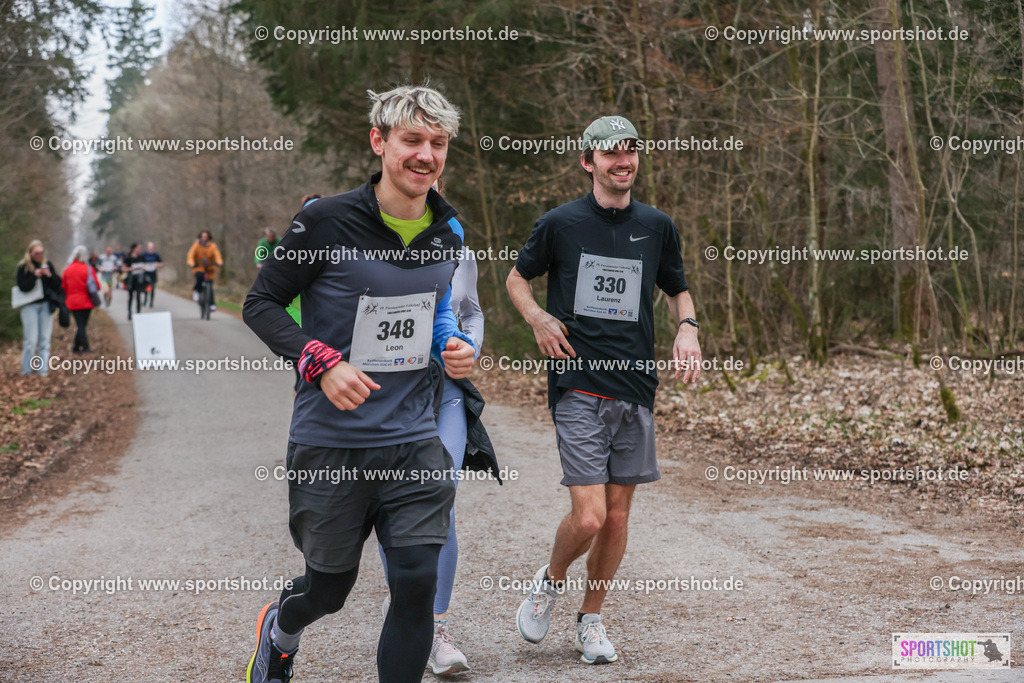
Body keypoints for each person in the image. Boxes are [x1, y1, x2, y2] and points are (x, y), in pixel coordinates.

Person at [242, 84, 476, 683]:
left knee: (417, 582)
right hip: (331, 442)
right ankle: (282, 628)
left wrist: (454, 347)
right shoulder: (324, 219)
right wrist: (318, 360)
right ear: (379, 142)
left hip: (413, 435)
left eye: (438, 143)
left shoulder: (449, 232)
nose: (426, 155)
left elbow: (437, 308)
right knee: (329, 589)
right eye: (412, 140)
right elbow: (262, 303)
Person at [507, 115, 703, 665]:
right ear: (588, 161)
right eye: (611, 154)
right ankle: (550, 581)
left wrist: (688, 328)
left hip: (635, 387)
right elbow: (516, 278)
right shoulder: (560, 224)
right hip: (577, 383)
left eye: (631, 152)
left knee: (617, 519)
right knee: (589, 516)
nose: (624, 162)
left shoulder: (657, 225)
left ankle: (590, 619)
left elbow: (677, 288)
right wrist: (539, 319)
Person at [373, 178, 487, 676]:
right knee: (394, 502)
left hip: (446, 393)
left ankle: (435, 624)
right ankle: (407, 607)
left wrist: (468, 348)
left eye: (437, 166)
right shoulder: (360, 230)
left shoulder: (455, 233)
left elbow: (470, 309)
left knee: (442, 497)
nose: (428, 178)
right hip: (390, 393)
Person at [15, 240, 62, 376]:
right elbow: (23, 287)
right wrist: (34, 276)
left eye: (41, 253)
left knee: (44, 341)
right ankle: (26, 372)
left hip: (46, 306)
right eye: (36, 253)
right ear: (30, 253)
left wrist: (49, 275)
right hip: (30, 307)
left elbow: (58, 285)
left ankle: (42, 372)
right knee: (30, 341)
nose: (39, 256)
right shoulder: (23, 267)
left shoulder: (47, 265)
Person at [62, 245, 101, 353]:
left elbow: (63, 286)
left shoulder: (67, 270)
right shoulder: (89, 270)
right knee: (82, 325)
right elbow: (97, 286)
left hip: (72, 303)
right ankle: (86, 347)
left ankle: (75, 347)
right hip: (87, 302)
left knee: (81, 325)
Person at [186, 230, 223, 312]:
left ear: (209, 237)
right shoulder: (196, 245)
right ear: (200, 237)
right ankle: (197, 292)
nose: (204, 238)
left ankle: (212, 304)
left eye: (206, 236)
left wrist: (219, 262)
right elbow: (190, 255)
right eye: (203, 236)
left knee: (210, 285)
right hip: (199, 267)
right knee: (199, 276)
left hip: (209, 268)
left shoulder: (212, 246)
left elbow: (217, 255)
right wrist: (191, 262)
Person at [120, 243, 147, 320]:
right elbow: (123, 268)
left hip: (139, 279)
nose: (140, 250)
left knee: (138, 296)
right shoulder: (128, 258)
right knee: (131, 297)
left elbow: (144, 266)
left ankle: (138, 313)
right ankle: (129, 313)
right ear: (134, 249)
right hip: (131, 280)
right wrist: (131, 269)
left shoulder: (141, 257)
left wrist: (144, 268)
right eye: (138, 248)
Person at [141, 241, 163, 308]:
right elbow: (140, 263)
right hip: (146, 273)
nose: (150, 248)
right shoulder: (144, 254)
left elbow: (161, 263)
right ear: (147, 247)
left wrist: (157, 264)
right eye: (149, 247)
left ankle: (151, 302)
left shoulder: (156, 255)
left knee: (153, 288)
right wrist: (143, 266)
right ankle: (145, 300)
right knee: (146, 288)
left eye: (152, 247)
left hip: (153, 273)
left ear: (153, 248)